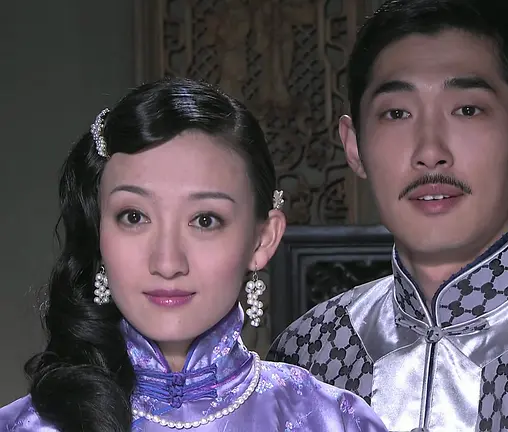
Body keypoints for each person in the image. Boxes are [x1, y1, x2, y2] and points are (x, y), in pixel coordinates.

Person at [0, 78, 388, 432]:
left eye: (204, 220)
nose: (167, 263)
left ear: (262, 240)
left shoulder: (333, 421)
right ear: (99, 233)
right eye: (134, 217)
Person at [268, 0, 508, 431]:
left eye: (467, 110)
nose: (430, 152)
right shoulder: (308, 355)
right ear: (354, 147)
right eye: (397, 113)